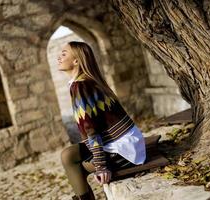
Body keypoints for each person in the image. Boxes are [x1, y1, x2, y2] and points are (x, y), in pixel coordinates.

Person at [58, 41, 146, 200]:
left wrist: (101, 166)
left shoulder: (80, 86)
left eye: (64, 54)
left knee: (74, 166)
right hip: (130, 143)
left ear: (76, 61)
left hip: (124, 152)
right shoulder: (89, 81)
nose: (59, 57)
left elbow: (91, 131)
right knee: (67, 155)